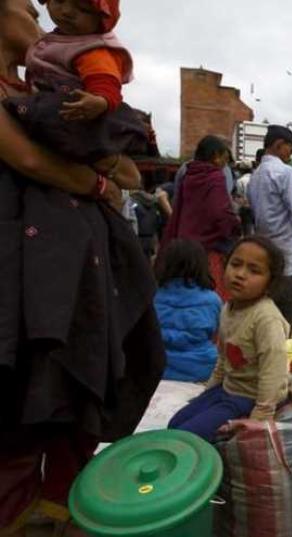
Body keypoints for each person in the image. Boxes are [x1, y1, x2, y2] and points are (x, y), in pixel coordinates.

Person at [0, 2, 165, 533]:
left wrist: (104, 159)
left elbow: (129, 172)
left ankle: (61, 505)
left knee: (73, 389)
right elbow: (28, 160)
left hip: (73, 277)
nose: (43, 18)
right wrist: (94, 181)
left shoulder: (48, 92)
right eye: (27, 9)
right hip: (19, 277)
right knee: (19, 403)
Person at [3, 0, 147, 186]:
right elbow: (30, 160)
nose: (67, 12)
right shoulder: (57, 45)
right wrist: (103, 187)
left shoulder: (90, 49)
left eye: (83, 9)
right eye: (59, 1)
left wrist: (100, 101)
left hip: (84, 111)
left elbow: (104, 81)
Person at [169, 236, 290, 442]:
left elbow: (274, 373)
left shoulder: (266, 319)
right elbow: (223, 360)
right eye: (235, 264)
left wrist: (260, 417)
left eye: (254, 270)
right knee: (174, 425)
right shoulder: (228, 308)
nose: (240, 274)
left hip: (250, 399)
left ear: (270, 282)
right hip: (227, 390)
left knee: (185, 438)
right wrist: (206, 395)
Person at [247, 125, 292, 329]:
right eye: (289, 148)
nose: (291, 153)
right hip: (287, 259)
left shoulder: (255, 177)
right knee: (284, 320)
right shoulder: (286, 173)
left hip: (264, 255)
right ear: (279, 145)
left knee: (265, 319)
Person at [162, 135, 240, 301]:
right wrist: (234, 227)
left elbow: (178, 206)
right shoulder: (215, 176)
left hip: (184, 244)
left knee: (185, 292)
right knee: (211, 294)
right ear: (215, 156)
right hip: (208, 249)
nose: (224, 165)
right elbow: (221, 213)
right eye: (224, 160)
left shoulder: (188, 174)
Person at [154, 239, 222, 383]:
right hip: (201, 368)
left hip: (157, 366)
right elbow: (216, 336)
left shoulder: (153, 296)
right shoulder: (212, 300)